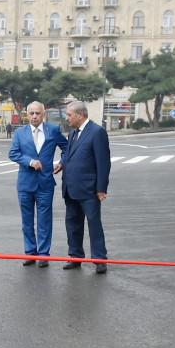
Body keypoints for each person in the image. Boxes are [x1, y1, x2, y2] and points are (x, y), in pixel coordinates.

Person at [8, 101, 68, 267]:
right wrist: (29, 161)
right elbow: (13, 153)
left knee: (44, 221)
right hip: (25, 184)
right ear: (27, 115)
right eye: (31, 113)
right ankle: (30, 253)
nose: (34, 116)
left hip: (45, 184)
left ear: (44, 114)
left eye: (38, 113)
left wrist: (62, 162)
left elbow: (67, 147)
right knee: (27, 221)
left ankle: (43, 255)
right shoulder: (20, 133)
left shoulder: (53, 131)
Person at [59, 101, 111, 274]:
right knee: (72, 224)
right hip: (71, 188)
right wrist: (62, 162)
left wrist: (101, 188)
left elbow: (103, 162)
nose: (67, 119)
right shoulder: (73, 132)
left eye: (69, 115)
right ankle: (75, 256)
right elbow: (69, 153)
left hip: (89, 190)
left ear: (80, 115)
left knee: (94, 224)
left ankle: (99, 259)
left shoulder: (97, 132)